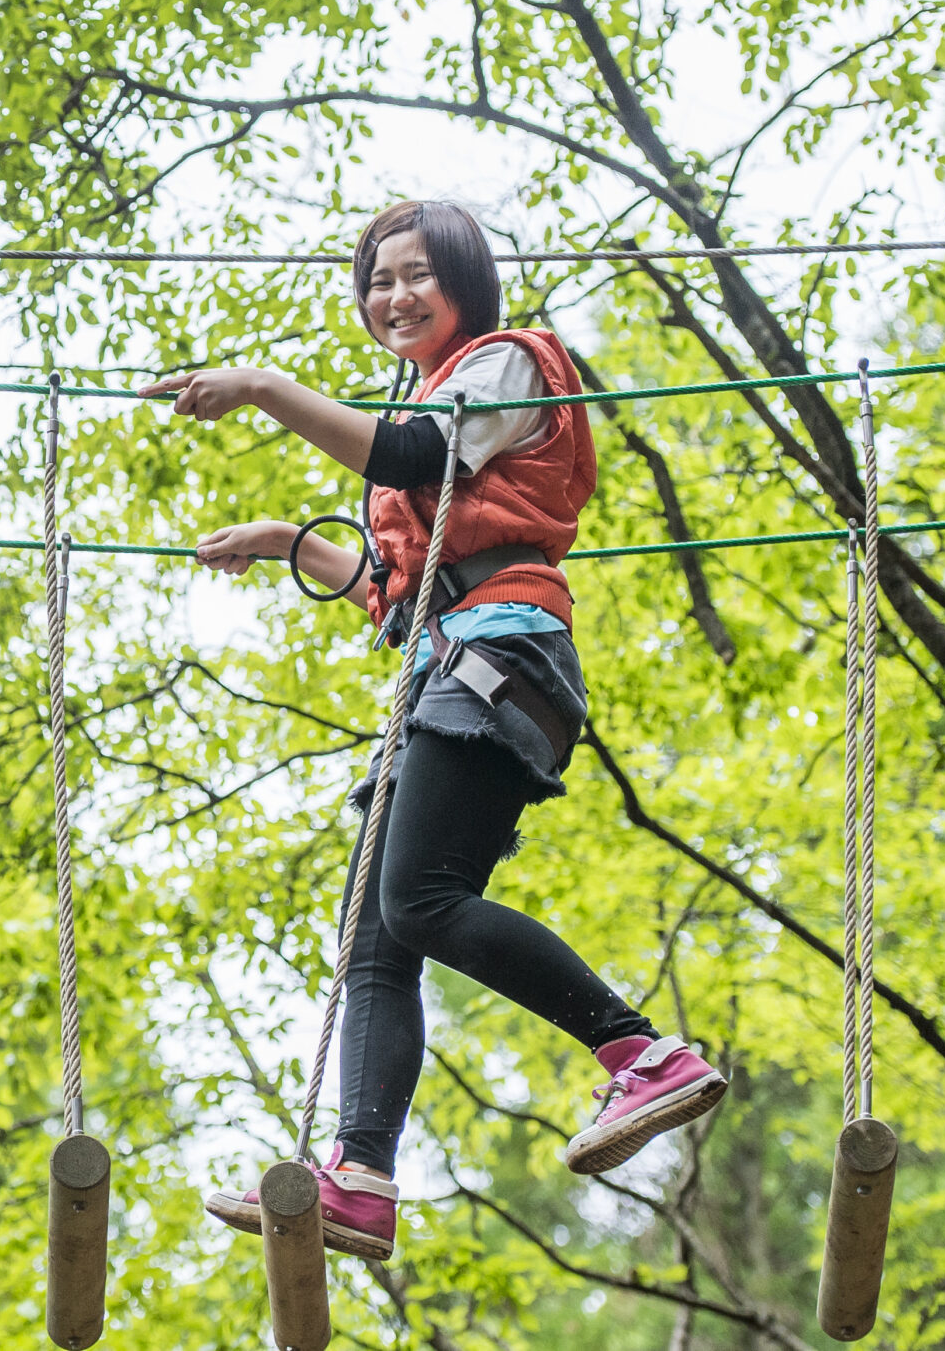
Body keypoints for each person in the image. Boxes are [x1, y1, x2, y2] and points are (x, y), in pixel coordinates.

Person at [142, 199, 725, 1264]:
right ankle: (358, 1178)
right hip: (448, 662)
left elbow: (410, 452)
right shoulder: (441, 402)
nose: (395, 296)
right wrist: (290, 545)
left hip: (502, 655)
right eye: (378, 281)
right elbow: (397, 587)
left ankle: (642, 1052)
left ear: (464, 284)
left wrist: (265, 387)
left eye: (416, 275)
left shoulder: (509, 363)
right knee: (375, 933)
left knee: (420, 899)